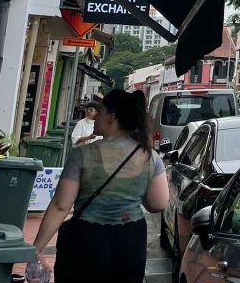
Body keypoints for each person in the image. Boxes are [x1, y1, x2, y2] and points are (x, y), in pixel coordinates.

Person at [31, 89, 169, 283]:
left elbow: (61, 206)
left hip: (86, 239)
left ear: (111, 117)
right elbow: (158, 204)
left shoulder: (83, 155)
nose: (95, 116)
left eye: (100, 112)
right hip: (130, 240)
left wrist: (36, 249)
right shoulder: (150, 157)